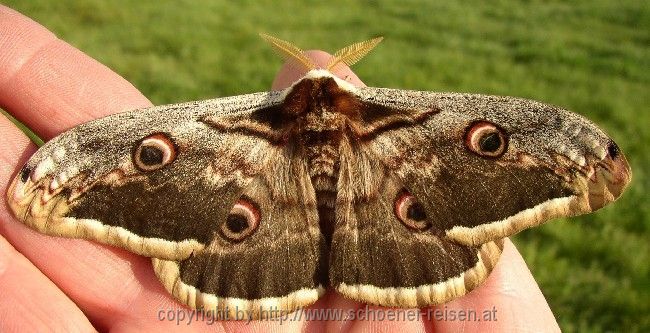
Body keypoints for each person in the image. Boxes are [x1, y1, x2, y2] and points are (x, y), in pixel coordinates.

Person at [0, 5, 560, 332]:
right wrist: (59, 179)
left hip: (275, 215)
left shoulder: (225, 129)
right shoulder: (413, 119)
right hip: (380, 216)